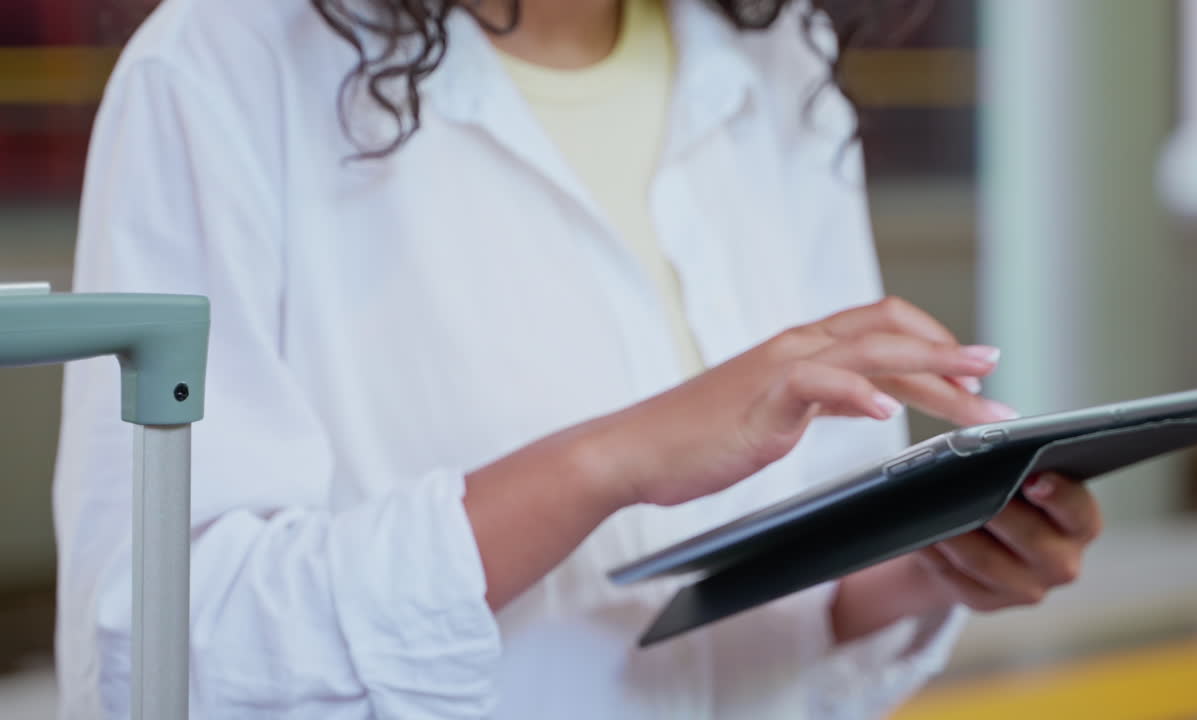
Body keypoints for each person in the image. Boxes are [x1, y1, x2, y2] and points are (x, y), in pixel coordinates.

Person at [54, 0, 1103, 717]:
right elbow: (159, 653)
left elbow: (750, 624)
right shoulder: (220, 62)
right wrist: (601, 466)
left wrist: (915, 566)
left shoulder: (774, 54)